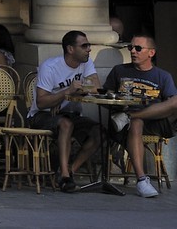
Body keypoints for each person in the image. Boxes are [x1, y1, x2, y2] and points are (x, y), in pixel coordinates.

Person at [100, 32, 177, 198]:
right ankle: (142, 180)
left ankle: (132, 116)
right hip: (125, 124)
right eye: (131, 47)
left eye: (138, 48)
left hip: (156, 121)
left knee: (175, 101)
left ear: (151, 53)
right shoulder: (119, 70)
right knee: (137, 122)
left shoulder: (163, 76)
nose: (133, 51)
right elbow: (107, 95)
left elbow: (172, 104)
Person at [29, 29, 101, 192]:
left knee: (99, 132)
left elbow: (97, 87)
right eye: (84, 46)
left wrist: (70, 93)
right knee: (66, 124)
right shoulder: (50, 67)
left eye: (88, 45)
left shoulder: (86, 62)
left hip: (70, 114)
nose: (89, 49)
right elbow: (41, 102)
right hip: (42, 115)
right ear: (70, 49)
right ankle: (66, 176)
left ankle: (67, 172)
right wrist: (65, 93)